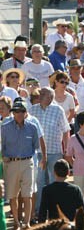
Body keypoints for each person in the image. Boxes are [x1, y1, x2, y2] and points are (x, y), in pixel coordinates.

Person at [1, 97, 46, 230]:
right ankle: (16, 221)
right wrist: (4, 156)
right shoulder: (4, 127)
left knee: (27, 194)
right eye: (16, 111)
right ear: (13, 112)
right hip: (11, 164)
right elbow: (2, 145)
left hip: (28, 162)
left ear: (26, 112)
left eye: (22, 111)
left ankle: (26, 223)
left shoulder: (32, 127)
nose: (19, 113)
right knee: (13, 195)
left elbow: (36, 146)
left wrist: (41, 158)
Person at [38, 159, 84, 223]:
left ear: (54, 172)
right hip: (70, 226)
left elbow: (42, 213)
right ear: (68, 172)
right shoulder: (75, 190)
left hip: (55, 226)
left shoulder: (47, 190)